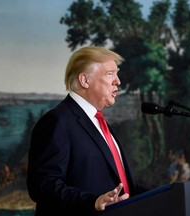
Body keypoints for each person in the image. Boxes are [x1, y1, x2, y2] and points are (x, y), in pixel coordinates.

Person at [27, 46, 149, 216]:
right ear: (85, 80)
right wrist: (92, 201)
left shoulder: (100, 123)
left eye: (117, 73)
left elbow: (122, 186)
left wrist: (169, 193)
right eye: (110, 74)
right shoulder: (57, 121)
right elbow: (43, 184)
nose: (118, 81)